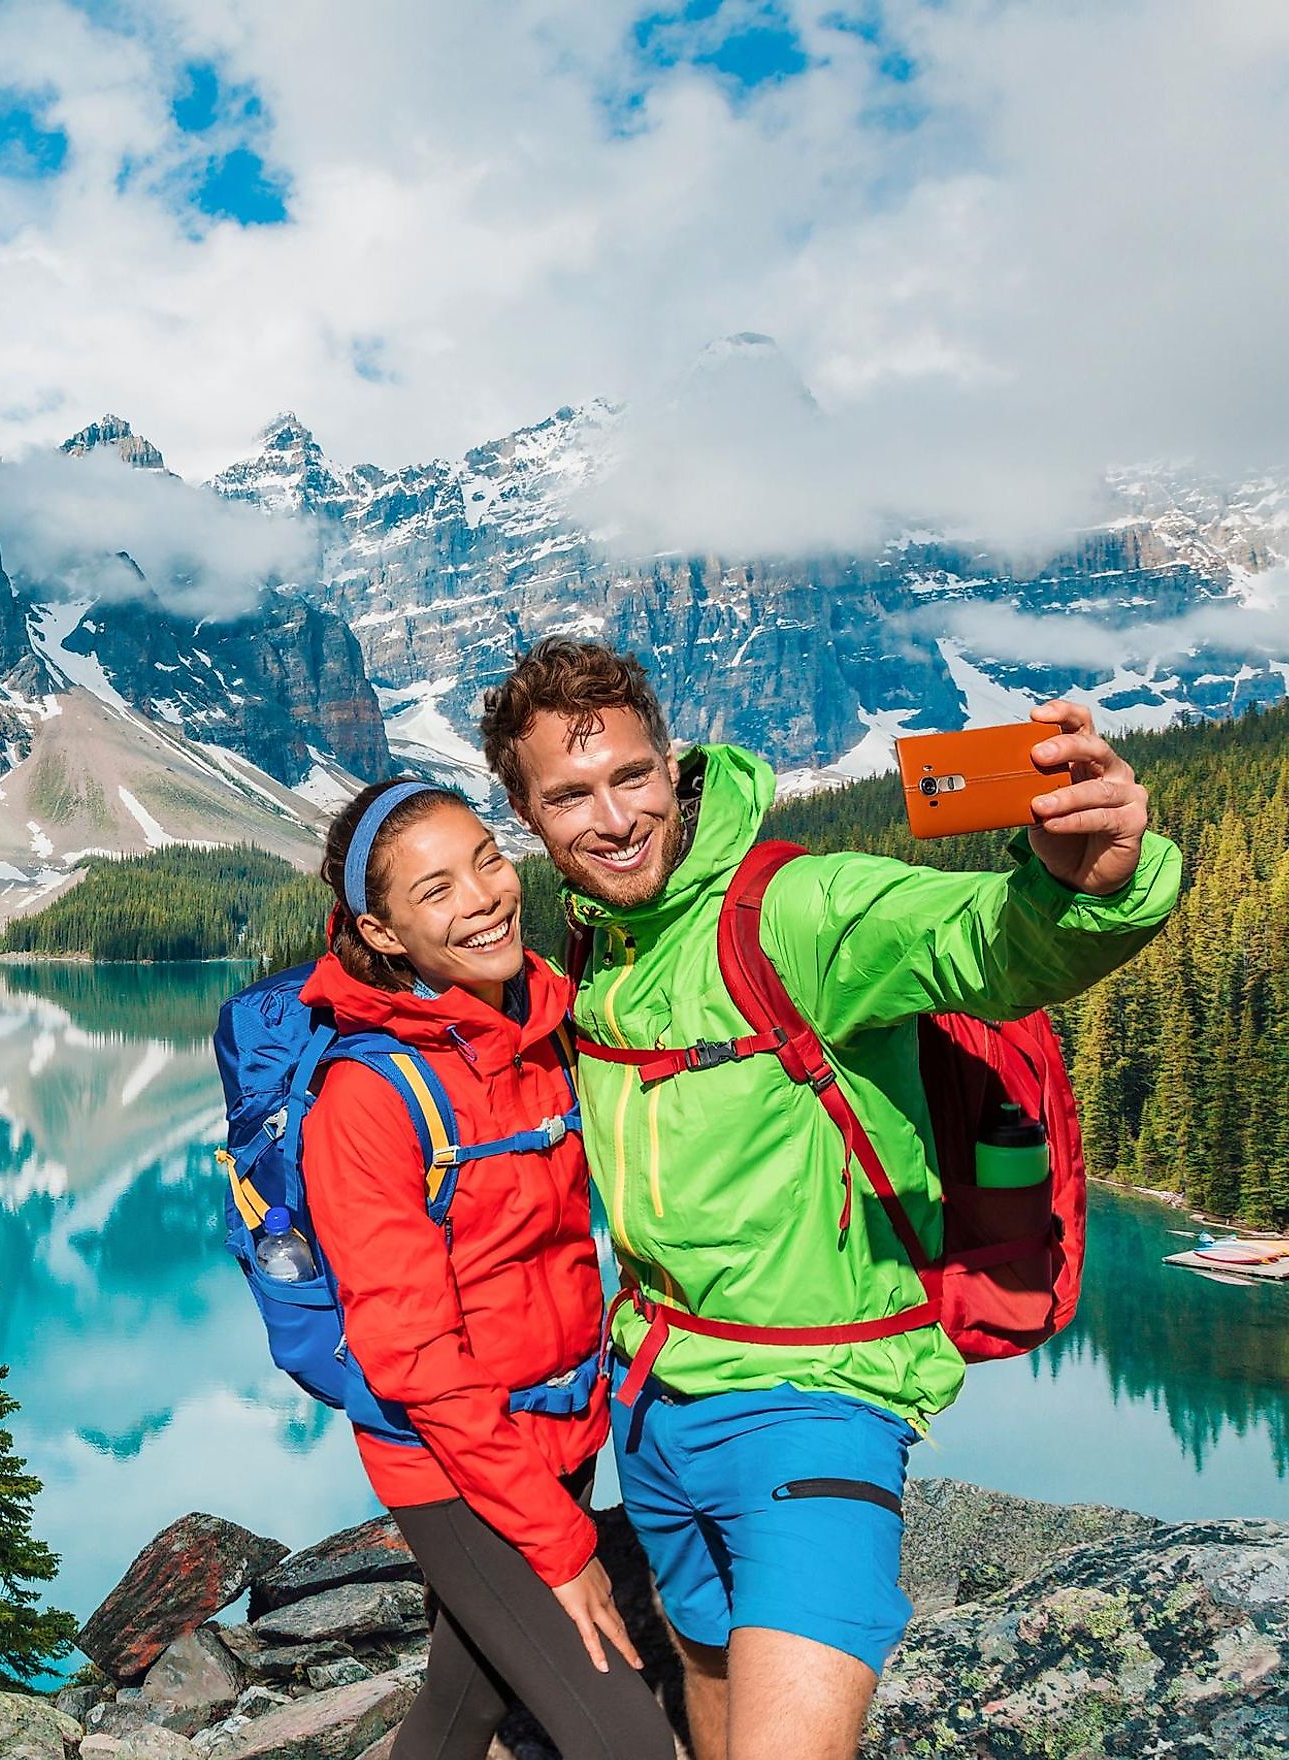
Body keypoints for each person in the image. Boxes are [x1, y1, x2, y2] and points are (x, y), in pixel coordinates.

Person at [480, 638, 1178, 1760]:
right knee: (703, 1673)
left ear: (675, 763)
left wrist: (1088, 885)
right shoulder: (598, 941)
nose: (611, 819)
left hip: (817, 1404)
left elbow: (988, 946)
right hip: (655, 1403)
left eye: (632, 778)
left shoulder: (800, 909)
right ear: (525, 810)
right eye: (570, 794)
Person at [297, 778, 676, 1760]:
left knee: (465, 1707)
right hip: (453, 1465)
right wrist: (559, 1543)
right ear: (382, 934)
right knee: (626, 1738)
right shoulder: (365, 1101)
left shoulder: (546, 1025)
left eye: (488, 859)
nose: (482, 896)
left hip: (560, 1427)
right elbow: (414, 1355)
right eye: (435, 890)